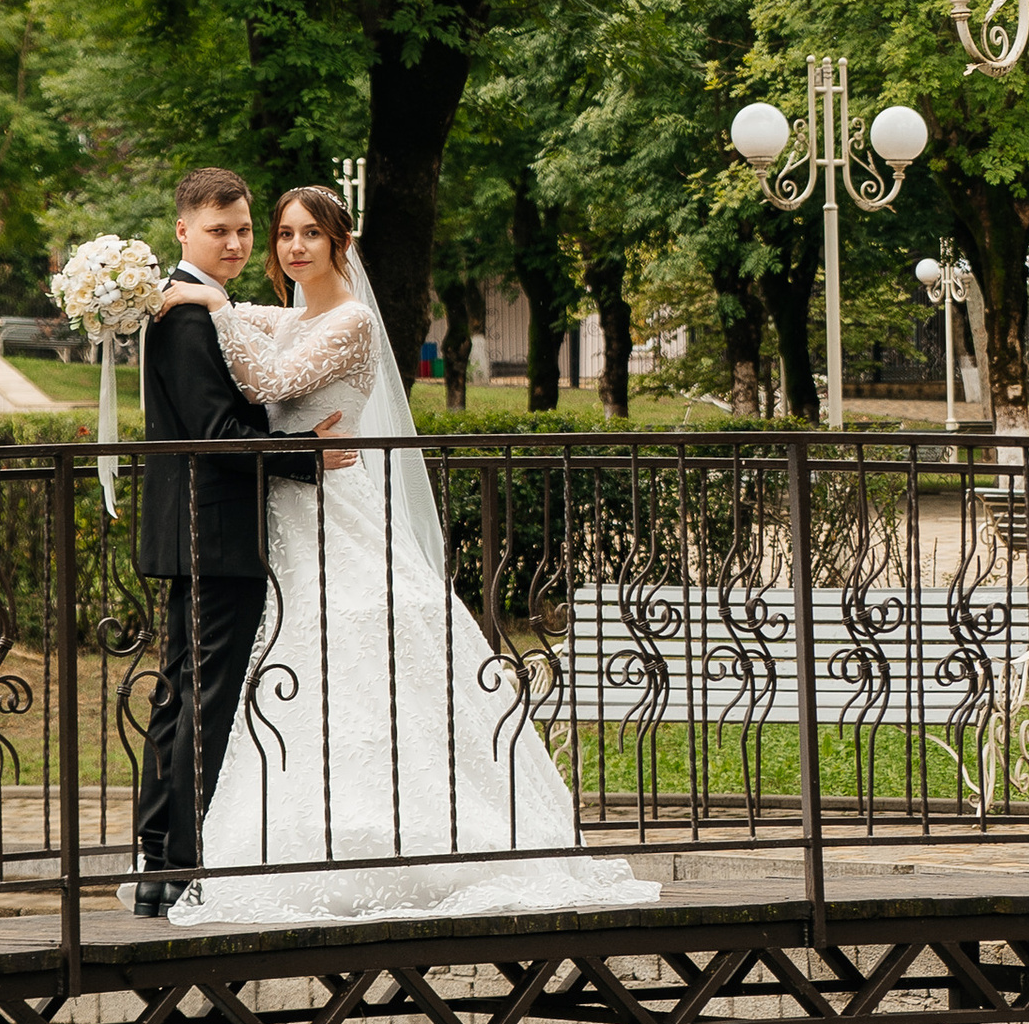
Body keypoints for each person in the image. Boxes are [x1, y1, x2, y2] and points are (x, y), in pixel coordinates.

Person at [173, 182, 656, 925]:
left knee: (363, 647)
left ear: (341, 243)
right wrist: (204, 300)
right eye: (285, 234)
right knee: (305, 665)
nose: (295, 246)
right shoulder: (291, 316)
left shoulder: (353, 321)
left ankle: (419, 835)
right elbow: (251, 325)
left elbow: (265, 380)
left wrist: (211, 304)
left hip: (339, 507)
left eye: (311, 233)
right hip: (289, 515)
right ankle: (308, 831)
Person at [128, 169, 354, 919]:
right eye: (218, 229)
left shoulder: (197, 304)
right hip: (215, 528)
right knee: (204, 698)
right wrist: (305, 454)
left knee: (181, 692)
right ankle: (179, 863)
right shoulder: (188, 317)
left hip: (197, 525)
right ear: (183, 230)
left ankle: (159, 859)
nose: (235, 243)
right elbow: (217, 434)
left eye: (243, 230)